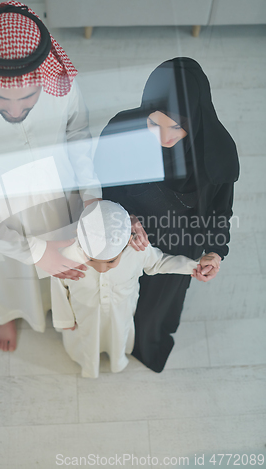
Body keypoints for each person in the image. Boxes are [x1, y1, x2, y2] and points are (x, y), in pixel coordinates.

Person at [0, 0, 102, 352]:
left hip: (60, 201)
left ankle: (59, 308)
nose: (15, 111)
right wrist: (35, 251)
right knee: (5, 273)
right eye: (0, 99)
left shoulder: (62, 87)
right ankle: (4, 313)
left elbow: (78, 135)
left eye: (28, 99)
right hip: (0, 221)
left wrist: (91, 195)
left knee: (64, 263)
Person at [96, 58, 239, 372]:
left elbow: (220, 212)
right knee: (114, 297)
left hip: (180, 241)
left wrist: (215, 252)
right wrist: (125, 219)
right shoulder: (122, 130)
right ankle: (108, 344)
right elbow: (100, 185)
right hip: (127, 237)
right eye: (154, 123)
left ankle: (143, 346)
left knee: (156, 308)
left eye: (176, 126)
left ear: (196, 119)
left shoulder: (217, 153)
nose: (164, 136)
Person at [50, 200, 219, 378]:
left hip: (121, 311)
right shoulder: (66, 256)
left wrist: (193, 266)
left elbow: (159, 262)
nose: (101, 269)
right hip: (83, 313)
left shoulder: (136, 251)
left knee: (117, 336)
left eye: (110, 262)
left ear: (127, 242)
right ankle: (88, 364)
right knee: (86, 339)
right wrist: (65, 320)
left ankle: (117, 360)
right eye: (91, 260)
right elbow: (59, 288)